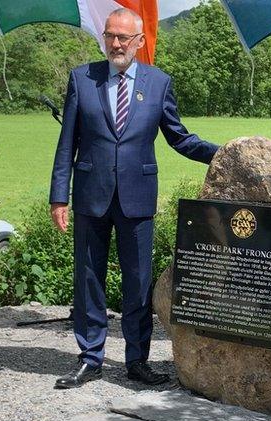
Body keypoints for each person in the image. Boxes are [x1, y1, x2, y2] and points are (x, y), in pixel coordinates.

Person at [49, 8, 219, 388]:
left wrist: (222, 153)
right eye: (110, 35)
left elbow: (179, 137)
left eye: (124, 37)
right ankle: (90, 357)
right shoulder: (82, 78)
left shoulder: (159, 83)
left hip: (138, 198)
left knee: (138, 281)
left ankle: (137, 361)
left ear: (140, 42)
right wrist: (59, 196)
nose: (116, 43)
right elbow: (67, 145)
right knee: (88, 278)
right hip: (91, 195)